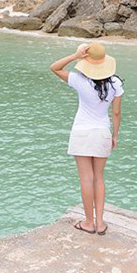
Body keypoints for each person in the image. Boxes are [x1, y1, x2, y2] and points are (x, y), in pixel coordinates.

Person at [50, 42, 123, 235]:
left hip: (81, 133)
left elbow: (54, 67)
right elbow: (116, 113)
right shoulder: (116, 83)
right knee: (99, 179)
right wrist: (115, 135)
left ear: (87, 62)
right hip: (102, 133)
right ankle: (100, 223)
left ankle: (88, 222)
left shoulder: (79, 80)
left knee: (86, 179)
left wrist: (75, 56)